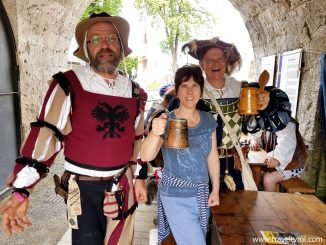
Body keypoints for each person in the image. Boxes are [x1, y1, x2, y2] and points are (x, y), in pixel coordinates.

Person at [0, 12, 148, 245]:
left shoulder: (135, 91)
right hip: (83, 190)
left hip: (123, 186)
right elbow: (45, 136)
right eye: (95, 40)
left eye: (111, 38)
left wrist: (139, 177)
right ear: (86, 48)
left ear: (121, 45)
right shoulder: (67, 84)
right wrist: (21, 190)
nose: (104, 45)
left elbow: (138, 139)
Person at [180, 37, 292, 191]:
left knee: (233, 210)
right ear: (201, 65)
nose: (215, 63)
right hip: (198, 164)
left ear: (226, 62)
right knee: (200, 211)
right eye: (209, 60)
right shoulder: (192, 90)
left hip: (232, 164)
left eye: (220, 58)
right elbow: (168, 113)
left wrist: (267, 104)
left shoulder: (242, 89)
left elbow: (254, 126)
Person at [141, 65, 220, 245]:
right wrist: (155, 132)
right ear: (176, 91)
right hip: (175, 195)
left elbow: (212, 156)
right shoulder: (165, 120)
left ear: (201, 90)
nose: (190, 91)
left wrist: (215, 189)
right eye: (184, 86)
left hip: (201, 193)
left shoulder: (208, 120)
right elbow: (146, 156)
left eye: (195, 86)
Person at [248, 119, 307, 191]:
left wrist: (276, 157)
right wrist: (253, 140)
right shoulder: (263, 118)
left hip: (293, 165)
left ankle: (271, 201)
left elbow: (287, 142)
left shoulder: (284, 120)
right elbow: (254, 131)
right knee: (254, 172)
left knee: (268, 179)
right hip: (277, 162)